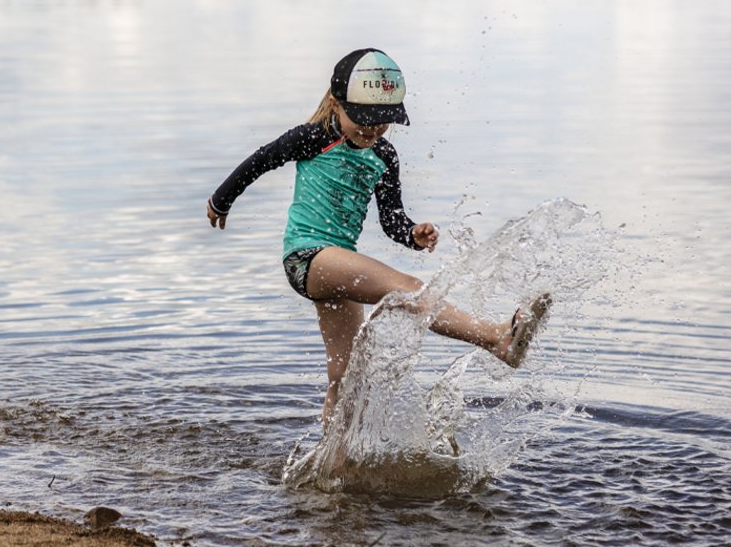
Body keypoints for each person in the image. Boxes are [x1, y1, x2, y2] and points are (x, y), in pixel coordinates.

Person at [206, 48, 549, 426]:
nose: (371, 129)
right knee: (408, 289)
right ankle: (496, 338)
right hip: (308, 257)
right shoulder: (311, 138)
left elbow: (391, 219)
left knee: (346, 378)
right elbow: (261, 160)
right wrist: (221, 201)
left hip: (337, 265)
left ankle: (332, 468)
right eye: (363, 119)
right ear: (336, 103)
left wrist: (412, 234)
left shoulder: (384, 156)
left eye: (382, 121)